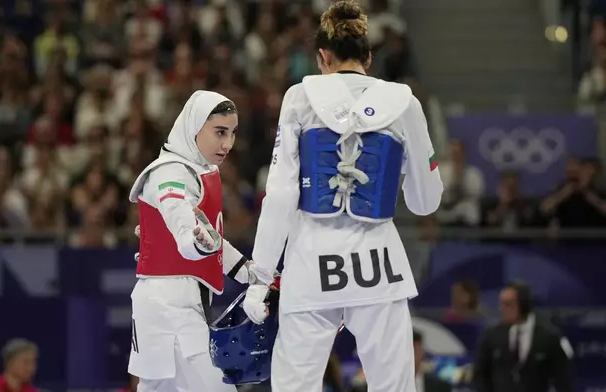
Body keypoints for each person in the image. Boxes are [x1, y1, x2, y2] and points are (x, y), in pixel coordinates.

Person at [241, 1, 444, 391]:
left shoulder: (299, 98)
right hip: (378, 266)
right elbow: (425, 203)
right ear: (368, 57)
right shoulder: (405, 104)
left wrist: (260, 277)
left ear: (322, 56)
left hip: (311, 261)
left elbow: (280, 195)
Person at [127, 90, 261, 392]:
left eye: (233, 133)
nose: (227, 144)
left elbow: (213, 239)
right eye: (219, 132)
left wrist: (251, 274)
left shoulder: (200, 171)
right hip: (168, 305)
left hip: (176, 302)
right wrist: (193, 240)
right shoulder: (169, 172)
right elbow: (179, 216)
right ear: (194, 126)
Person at [473, 282, 574, 392]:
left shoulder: (548, 337)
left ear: (524, 305)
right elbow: (481, 374)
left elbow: (563, 380)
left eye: (508, 304)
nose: (501, 309)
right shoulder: (491, 335)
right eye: (501, 304)